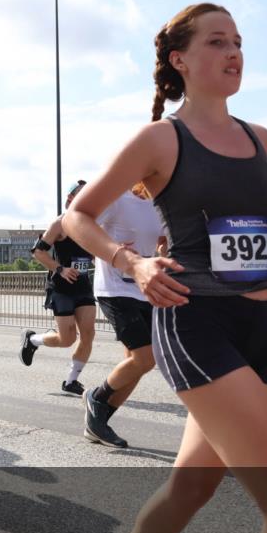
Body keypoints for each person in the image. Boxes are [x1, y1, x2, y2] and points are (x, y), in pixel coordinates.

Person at [62, 3, 267, 533]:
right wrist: (132, 264)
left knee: (194, 484)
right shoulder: (162, 139)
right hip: (195, 324)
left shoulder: (263, 141)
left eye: (238, 41)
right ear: (180, 59)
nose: (233, 51)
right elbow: (78, 215)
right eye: (217, 41)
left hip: (260, 328)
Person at [83, 183, 168, 449]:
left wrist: (163, 256)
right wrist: (115, 251)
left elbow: (164, 240)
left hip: (145, 289)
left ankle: (97, 423)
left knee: (137, 363)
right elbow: (83, 229)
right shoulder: (118, 199)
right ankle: (96, 398)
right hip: (114, 288)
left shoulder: (161, 206)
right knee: (144, 358)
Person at [19, 181, 96, 395]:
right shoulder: (60, 224)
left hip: (83, 286)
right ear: (71, 198)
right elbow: (38, 252)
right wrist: (60, 269)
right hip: (62, 288)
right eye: (81, 194)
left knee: (88, 335)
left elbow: (96, 253)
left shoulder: (92, 223)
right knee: (67, 339)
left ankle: (71, 381)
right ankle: (32, 339)